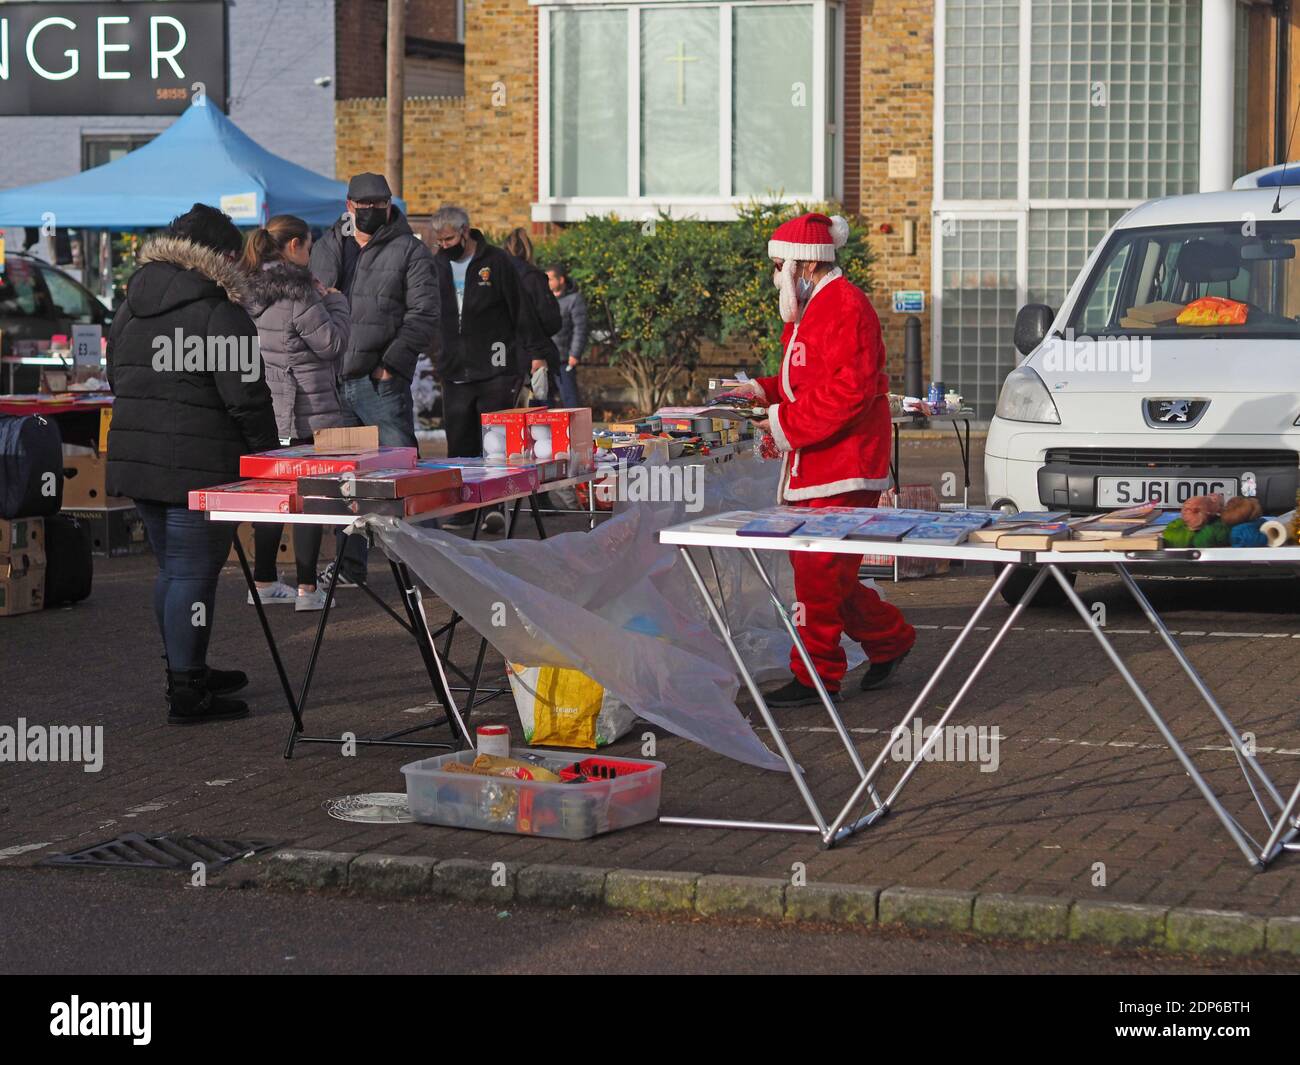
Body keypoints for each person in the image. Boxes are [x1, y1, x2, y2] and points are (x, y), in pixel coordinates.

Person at [106, 203, 279, 725]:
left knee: (173, 572)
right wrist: (267, 457)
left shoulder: (130, 306)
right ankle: (187, 690)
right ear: (220, 255)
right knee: (192, 575)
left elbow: (116, 376)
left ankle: (187, 668)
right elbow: (247, 397)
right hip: (198, 464)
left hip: (140, 459)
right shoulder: (218, 311)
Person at [740, 212, 916, 706]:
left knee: (817, 573)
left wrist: (782, 423)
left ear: (803, 265)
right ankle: (889, 638)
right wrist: (760, 390)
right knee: (830, 573)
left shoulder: (845, 306)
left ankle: (817, 673)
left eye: (779, 265)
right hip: (824, 460)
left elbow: (846, 393)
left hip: (845, 461)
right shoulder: (815, 305)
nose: (776, 275)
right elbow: (807, 382)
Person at [310, 172, 438, 579]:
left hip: (379, 382)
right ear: (349, 205)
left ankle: (429, 562)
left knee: (402, 471)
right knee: (344, 477)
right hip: (333, 379)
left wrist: (391, 364)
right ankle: (349, 563)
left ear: (388, 206)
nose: (369, 213)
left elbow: (424, 314)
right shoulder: (327, 246)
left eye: (377, 206)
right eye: (362, 207)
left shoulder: (409, 251)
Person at [242, 215, 352, 611]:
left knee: (272, 497)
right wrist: (336, 301)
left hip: (268, 407)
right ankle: (308, 588)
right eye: (308, 245)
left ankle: (265, 580)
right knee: (310, 497)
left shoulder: (246, 290)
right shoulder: (299, 292)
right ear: (293, 247)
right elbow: (332, 343)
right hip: (308, 406)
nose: (311, 253)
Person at [429, 206, 553, 531]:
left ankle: (494, 508)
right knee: (459, 443)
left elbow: (521, 309)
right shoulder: (438, 265)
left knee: (494, 443)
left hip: (496, 367)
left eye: (450, 238)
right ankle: (465, 507)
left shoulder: (495, 262)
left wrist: (536, 353)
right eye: (440, 240)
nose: (444, 245)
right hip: (454, 369)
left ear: (466, 232)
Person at [502, 227, 562, 405]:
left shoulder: (495, 276)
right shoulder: (532, 278)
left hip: (499, 356)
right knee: (538, 415)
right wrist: (538, 352)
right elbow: (550, 320)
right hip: (530, 357)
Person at [545, 262, 588, 408]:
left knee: (569, 397)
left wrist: (575, 354)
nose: (547, 283)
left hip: (564, 359)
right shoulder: (544, 299)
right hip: (544, 358)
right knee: (544, 398)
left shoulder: (574, 300)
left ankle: (575, 429)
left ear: (561, 280)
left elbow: (580, 328)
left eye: (550, 279)